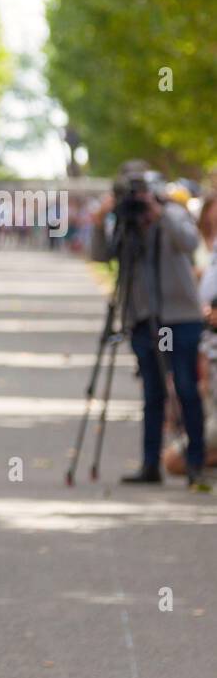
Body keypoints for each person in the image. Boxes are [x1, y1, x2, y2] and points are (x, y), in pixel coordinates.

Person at [92, 163, 209, 490]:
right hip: (143, 320)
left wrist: (160, 212)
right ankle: (149, 464)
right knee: (152, 392)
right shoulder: (127, 223)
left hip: (177, 319)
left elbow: (189, 243)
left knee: (185, 388)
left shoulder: (172, 213)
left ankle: (195, 462)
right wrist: (101, 222)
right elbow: (101, 256)